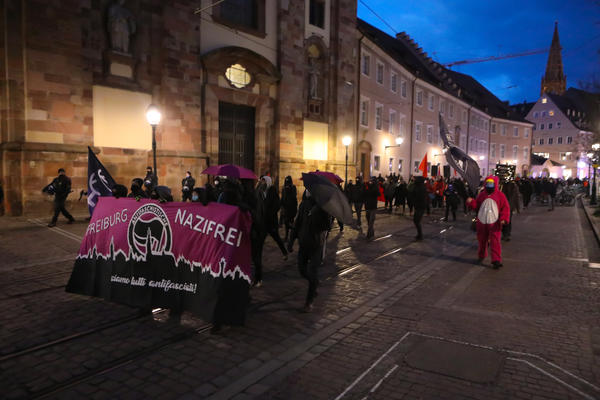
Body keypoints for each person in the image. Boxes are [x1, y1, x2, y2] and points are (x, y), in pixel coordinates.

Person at [287, 189, 330, 312]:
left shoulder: (322, 206)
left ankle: (309, 302)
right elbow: (297, 223)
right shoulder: (304, 205)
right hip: (304, 243)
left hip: (316, 245)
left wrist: (318, 212)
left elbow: (327, 225)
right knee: (302, 269)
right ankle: (314, 283)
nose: (307, 192)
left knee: (312, 271)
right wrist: (291, 242)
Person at [467, 176, 510, 269]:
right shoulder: (482, 195)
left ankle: (496, 260)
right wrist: (471, 202)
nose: (489, 186)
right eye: (488, 184)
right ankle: (481, 255)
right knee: (482, 240)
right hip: (482, 222)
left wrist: (503, 218)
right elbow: (476, 206)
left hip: (494, 223)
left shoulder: (500, 195)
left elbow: (505, 208)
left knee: (495, 241)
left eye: (491, 184)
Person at [280, 176, 298, 241]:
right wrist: (281, 205)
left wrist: (289, 190)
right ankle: (288, 236)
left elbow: (294, 197)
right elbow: (282, 197)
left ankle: (293, 233)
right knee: (286, 223)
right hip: (285, 208)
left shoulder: (293, 187)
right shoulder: (283, 188)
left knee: (290, 222)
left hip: (291, 209)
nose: (287, 183)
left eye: (288, 181)